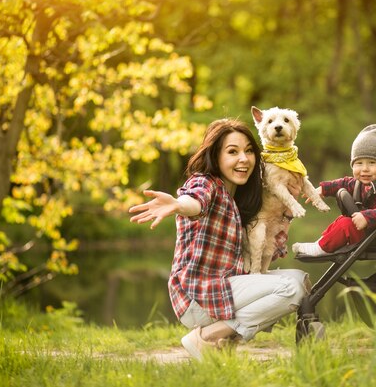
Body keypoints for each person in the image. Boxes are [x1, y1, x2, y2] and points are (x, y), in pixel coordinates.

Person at [129, 119, 309, 359]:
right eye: (232, 152)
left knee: (301, 280)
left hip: (225, 287)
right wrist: (177, 205)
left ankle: (223, 342)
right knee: (291, 288)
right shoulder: (205, 183)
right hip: (199, 297)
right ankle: (209, 337)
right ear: (215, 155)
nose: (243, 159)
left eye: (248, 151)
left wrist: (285, 211)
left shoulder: (240, 195)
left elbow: (267, 249)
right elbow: (195, 201)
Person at [292, 124, 376, 256]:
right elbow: (344, 182)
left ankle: (322, 248)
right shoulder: (361, 182)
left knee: (345, 225)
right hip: (366, 230)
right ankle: (323, 243)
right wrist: (323, 189)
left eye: (372, 163)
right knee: (342, 219)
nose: (365, 169)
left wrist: (366, 217)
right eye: (359, 163)